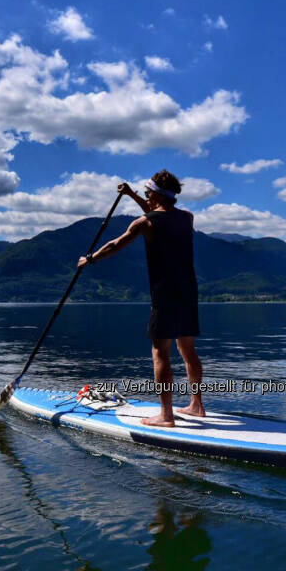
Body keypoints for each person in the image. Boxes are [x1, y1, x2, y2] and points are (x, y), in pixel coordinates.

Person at [78, 170, 205, 427]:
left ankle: (166, 415)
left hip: (165, 294)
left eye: (148, 193)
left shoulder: (143, 223)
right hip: (189, 291)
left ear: (155, 194)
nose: (146, 198)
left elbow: (116, 244)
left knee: (160, 353)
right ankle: (197, 406)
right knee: (187, 349)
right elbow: (156, 210)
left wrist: (89, 259)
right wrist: (131, 195)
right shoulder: (187, 218)